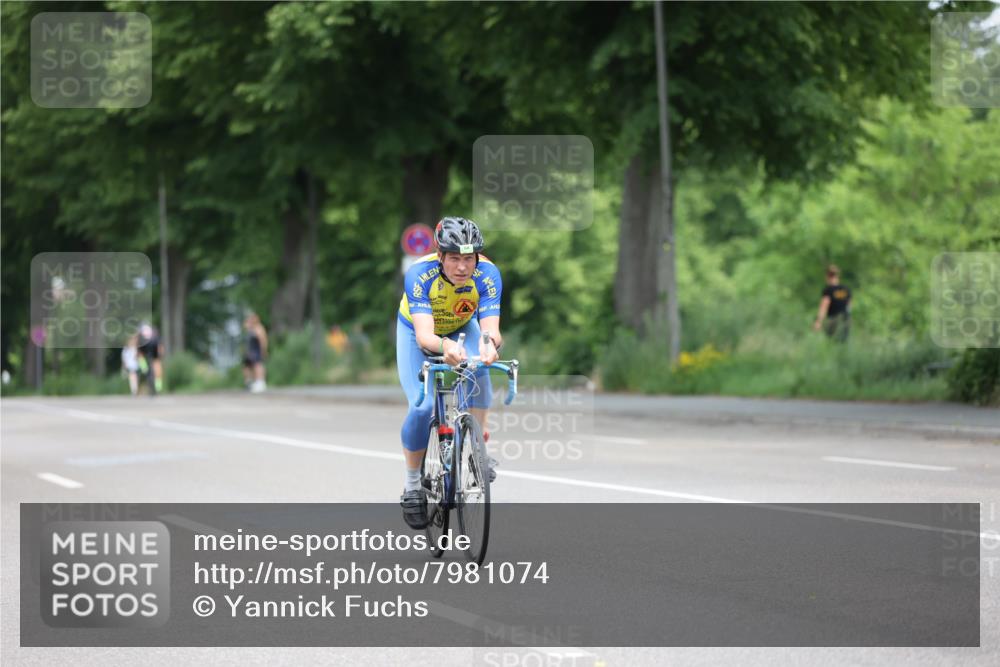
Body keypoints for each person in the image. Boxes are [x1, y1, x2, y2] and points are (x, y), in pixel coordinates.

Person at [396, 217, 503, 529]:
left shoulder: (488, 274)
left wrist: (488, 346)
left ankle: (477, 450)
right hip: (418, 333)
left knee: (480, 366)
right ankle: (413, 484)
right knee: (423, 405)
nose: (462, 267)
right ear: (440, 256)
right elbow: (426, 338)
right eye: (454, 258)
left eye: (468, 258)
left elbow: (491, 330)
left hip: (460, 327)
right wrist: (445, 348)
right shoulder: (419, 274)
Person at [812, 264, 852, 342]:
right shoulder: (846, 290)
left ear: (828, 276)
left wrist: (818, 321)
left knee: (831, 343)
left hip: (834, 320)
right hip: (845, 320)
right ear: (837, 276)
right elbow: (849, 306)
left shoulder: (828, 290)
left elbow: (824, 306)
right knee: (842, 343)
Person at [242, 312, 269, 393]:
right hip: (250, 351)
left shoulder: (259, 328)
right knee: (248, 367)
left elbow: (263, 341)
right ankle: (251, 382)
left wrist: (263, 350)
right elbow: (244, 325)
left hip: (257, 350)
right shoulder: (251, 328)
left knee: (258, 365)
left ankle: (260, 382)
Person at [137, 323, 164, 393]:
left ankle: (144, 366)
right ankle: (158, 385)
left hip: (147, 346)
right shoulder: (154, 334)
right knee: (157, 362)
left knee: (140, 354)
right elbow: (160, 346)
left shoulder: (142, 334)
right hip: (151, 345)